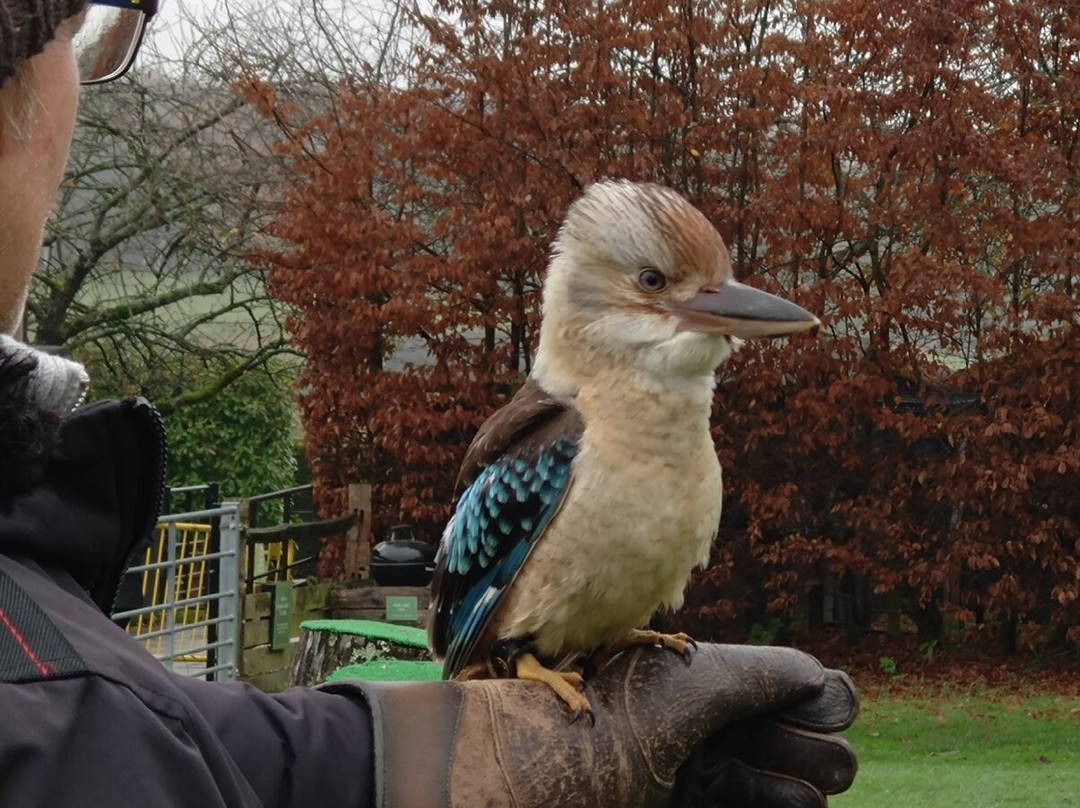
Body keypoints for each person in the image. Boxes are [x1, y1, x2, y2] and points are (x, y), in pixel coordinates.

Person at [0, 1, 859, 805]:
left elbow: (172, 744)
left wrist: (422, 766)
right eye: (77, 34)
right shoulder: (551, 431)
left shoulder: (30, 584)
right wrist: (491, 707)